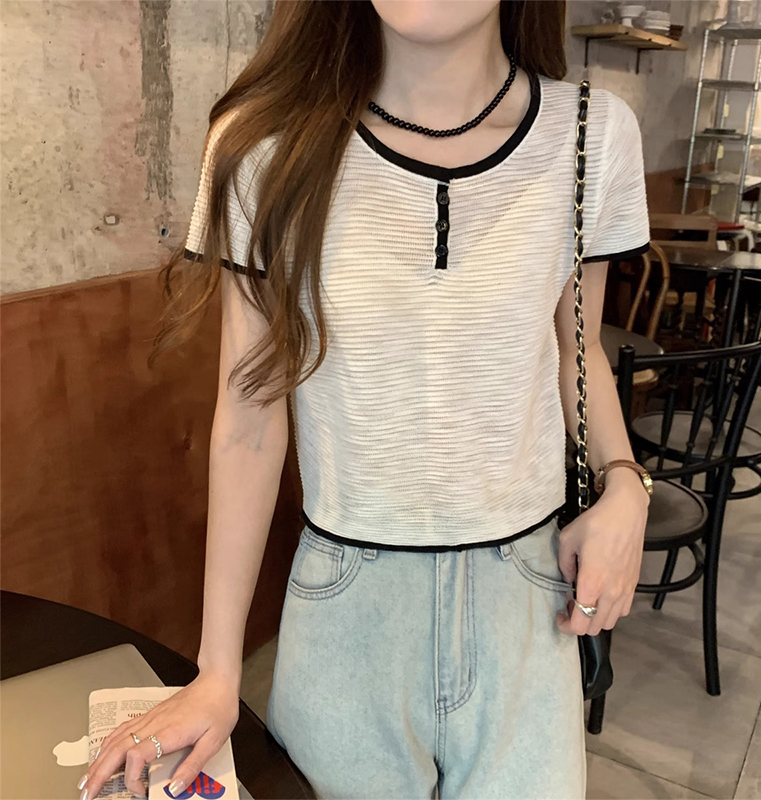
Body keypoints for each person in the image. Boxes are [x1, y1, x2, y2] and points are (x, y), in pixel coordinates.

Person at [78, 1, 651, 798]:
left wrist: (626, 482)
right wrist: (217, 670)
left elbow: (575, 347)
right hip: (346, 609)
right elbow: (249, 418)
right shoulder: (262, 145)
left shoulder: (591, 133)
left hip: (527, 602)